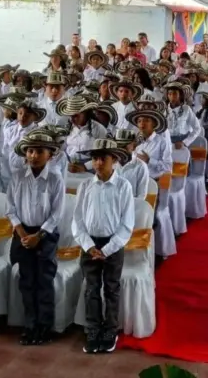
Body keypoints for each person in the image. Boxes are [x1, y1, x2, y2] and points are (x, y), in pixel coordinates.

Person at [72, 139, 135, 354]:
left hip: (113, 244)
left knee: (111, 288)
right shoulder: (85, 186)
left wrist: (107, 249)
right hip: (90, 244)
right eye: (95, 158)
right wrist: (89, 246)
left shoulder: (123, 186)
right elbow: (78, 220)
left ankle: (110, 329)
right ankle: (92, 328)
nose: (98, 163)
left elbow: (127, 224)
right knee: (91, 288)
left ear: (114, 160)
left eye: (103, 158)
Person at [6, 132, 65, 346]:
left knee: (44, 280)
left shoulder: (55, 178)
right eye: (30, 151)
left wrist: (38, 236)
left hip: (45, 235)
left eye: (40, 151)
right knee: (27, 281)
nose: (34, 155)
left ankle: (44, 326)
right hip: (22, 234)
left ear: (50, 155)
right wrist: (22, 234)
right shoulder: (17, 177)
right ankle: (30, 325)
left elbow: (57, 214)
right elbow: (10, 209)